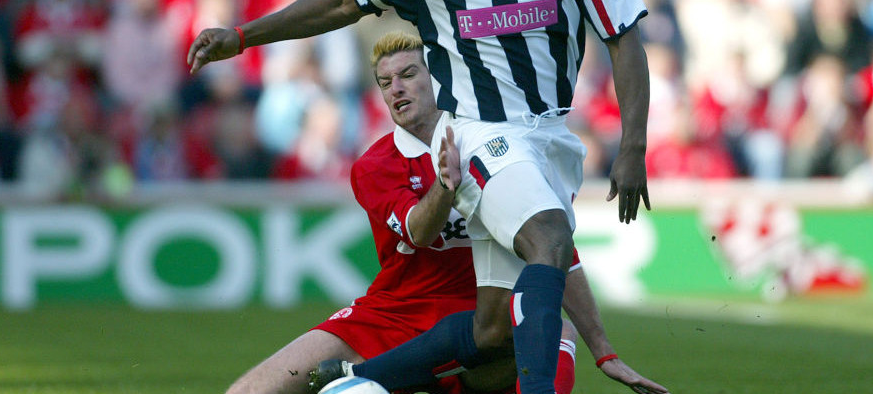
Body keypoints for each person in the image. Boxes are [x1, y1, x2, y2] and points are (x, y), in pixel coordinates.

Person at [188, 0, 652, 394]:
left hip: (551, 138)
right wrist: (241, 37)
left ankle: (360, 381)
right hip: (482, 136)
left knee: (489, 330)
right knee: (548, 237)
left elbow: (624, 38)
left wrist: (633, 147)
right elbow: (341, 3)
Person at [226, 32, 666, 394]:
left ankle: (371, 382)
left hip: (479, 319)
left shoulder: (498, 146)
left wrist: (605, 352)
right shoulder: (375, 165)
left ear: (439, 78)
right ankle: (374, 378)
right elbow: (418, 231)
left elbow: (554, 250)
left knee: (556, 334)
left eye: (408, 74)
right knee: (249, 391)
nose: (396, 88)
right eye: (384, 82)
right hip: (392, 312)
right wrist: (445, 184)